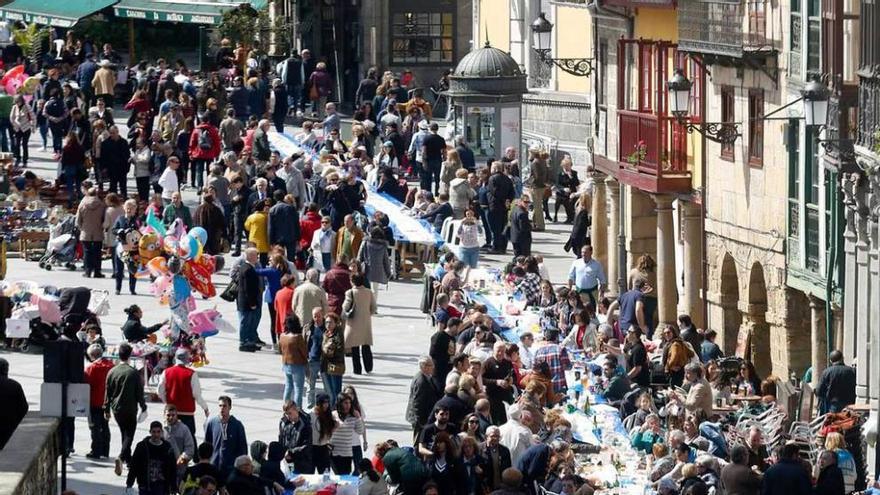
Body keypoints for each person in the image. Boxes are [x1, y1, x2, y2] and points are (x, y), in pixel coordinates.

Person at [104, 342, 148, 475]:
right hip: (130, 408)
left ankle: (129, 460)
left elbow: (108, 392)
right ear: (130, 355)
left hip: (116, 409)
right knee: (129, 434)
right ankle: (122, 457)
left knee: (124, 432)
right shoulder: (133, 373)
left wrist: (106, 409)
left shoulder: (111, 372)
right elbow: (139, 393)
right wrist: (143, 406)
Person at [157, 348, 210, 437]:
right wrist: (205, 407)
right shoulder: (192, 374)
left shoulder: (166, 372)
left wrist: (166, 402)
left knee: (170, 438)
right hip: (187, 413)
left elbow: (159, 390)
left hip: (171, 413)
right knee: (189, 438)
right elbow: (197, 394)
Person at [126, 421, 177, 495]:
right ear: (150, 432)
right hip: (145, 486)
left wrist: (174, 487)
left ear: (162, 432)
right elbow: (134, 466)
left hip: (161, 486)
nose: (156, 434)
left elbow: (172, 468)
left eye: (158, 432)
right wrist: (129, 483)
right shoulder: (142, 446)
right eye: (154, 432)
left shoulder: (167, 448)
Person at [204, 396, 248, 480]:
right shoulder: (212, 423)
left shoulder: (237, 425)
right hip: (214, 466)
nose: (222, 409)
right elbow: (207, 444)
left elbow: (242, 448)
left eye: (224, 406)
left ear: (230, 407)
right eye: (220, 406)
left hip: (231, 468)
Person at [343, 273, 378, 375]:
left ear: (353, 281)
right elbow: (374, 308)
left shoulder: (350, 293)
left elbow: (345, 307)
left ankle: (357, 370)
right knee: (366, 346)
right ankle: (368, 367)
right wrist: (367, 314)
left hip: (353, 323)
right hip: (365, 322)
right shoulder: (369, 292)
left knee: (355, 348)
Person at [84, 344, 113, 458]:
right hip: (107, 402)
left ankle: (96, 450)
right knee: (105, 426)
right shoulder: (111, 365)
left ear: (93, 355)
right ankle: (105, 450)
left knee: (94, 427)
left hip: (94, 401)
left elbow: (86, 384)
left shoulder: (91, 368)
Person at [406, 356, 440, 442]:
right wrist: (421, 423)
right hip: (421, 420)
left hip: (424, 418)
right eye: (430, 365)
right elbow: (417, 403)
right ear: (423, 366)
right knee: (419, 441)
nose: (433, 367)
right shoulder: (421, 382)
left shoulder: (427, 377)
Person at [330, 393, 365, 475]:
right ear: (340, 403)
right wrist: (334, 427)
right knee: (338, 475)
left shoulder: (353, 416)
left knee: (345, 475)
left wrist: (358, 418)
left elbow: (360, 431)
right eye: (345, 403)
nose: (348, 405)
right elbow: (326, 433)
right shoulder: (333, 415)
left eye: (349, 403)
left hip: (346, 453)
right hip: (334, 451)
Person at [237, 248, 264, 352]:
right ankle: (244, 342)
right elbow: (248, 288)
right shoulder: (248, 269)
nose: (257, 257)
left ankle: (250, 341)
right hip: (247, 302)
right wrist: (252, 303)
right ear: (251, 256)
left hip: (247, 301)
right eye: (256, 255)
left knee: (249, 322)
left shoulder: (247, 267)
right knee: (246, 322)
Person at [75, 185, 106, 277]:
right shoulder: (101, 205)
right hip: (98, 231)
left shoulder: (82, 204)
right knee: (97, 252)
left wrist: (82, 228)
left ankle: (87, 271)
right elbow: (104, 218)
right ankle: (97, 272)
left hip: (86, 232)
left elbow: (78, 220)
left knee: (87, 251)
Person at [487, 161, 515, 254]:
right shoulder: (507, 178)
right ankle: (503, 247)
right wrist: (507, 201)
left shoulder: (492, 178)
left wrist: (502, 200)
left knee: (495, 228)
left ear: (494, 168)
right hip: (504, 207)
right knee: (503, 227)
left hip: (495, 205)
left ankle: (496, 247)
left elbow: (494, 192)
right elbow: (512, 192)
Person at [280, 314, 308, 406]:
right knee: (298, 388)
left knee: (288, 386)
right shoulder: (297, 337)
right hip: (297, 365)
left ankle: (285, 406)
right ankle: (298, 408)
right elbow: (304, 352)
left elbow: (280, 350)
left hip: (286, 363)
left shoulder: (282, 336)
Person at [163, 405, 196, 484]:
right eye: (168, 415)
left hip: (180, 470)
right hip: (164, 471)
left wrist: (183, 457)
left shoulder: (184, 429)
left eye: (173, 415)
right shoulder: (160, 430)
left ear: (177, 415)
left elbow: (190, 447)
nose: (171, 417)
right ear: (164, 415)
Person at [321, 312, 346, 404]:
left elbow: (340, 351)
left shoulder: (338, 335)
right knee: (329, 392)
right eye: (326, 322)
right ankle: (332, 410)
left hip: (335, 366)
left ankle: (337, 409)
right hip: (326, 365)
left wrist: (330, 351)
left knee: (336, 392)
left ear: (336, 323)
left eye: (330, 322)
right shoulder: (325, 333)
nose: (328, 324)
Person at [269, 192, 301, 261]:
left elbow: (271, 227)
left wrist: (271, 241)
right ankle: (290, 270)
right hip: (291, 236)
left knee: (279, 257)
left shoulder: (272, 209)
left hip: (278, 237)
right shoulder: (291, 208)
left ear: (274, 198)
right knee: (291, 258)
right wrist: (298, 238)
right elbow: (296, 224)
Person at [311, 393, 337, 473]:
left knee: (325, 476)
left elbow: (328, 435)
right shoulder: (310, 415)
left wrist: (334, 427)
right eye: (324, 403)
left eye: (327, 403)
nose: (326, 405)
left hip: (323, 448)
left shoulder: (329, 415)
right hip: (311, 448)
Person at [526, 148, 550, 230]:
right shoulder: (542, 161)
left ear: (532, 154)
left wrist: (528, 182)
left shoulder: (535, 162)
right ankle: (534, 223)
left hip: (536, 187)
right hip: (542, 186)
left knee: (537, 207)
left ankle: (540, 226)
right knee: (538, 206)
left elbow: (536, 176)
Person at [554, 157, 579, 223]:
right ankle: (557, 216)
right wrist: (563, 189)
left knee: (571, 201)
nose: (567, 168)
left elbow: (577, 183)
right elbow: (557, 184)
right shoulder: (560, 174)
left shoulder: (574, 173)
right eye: (565, 166)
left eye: (568, 166)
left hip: (572, 192)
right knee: (562, 200)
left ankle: (571, 217)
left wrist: (571, 177)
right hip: (562, 192)